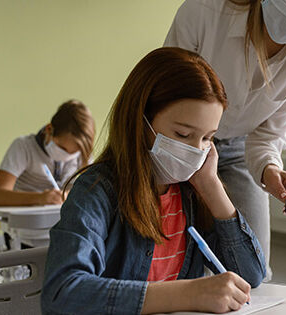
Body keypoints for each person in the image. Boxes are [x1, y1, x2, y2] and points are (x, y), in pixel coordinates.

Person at [41, 47, 266, 314]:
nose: (196, 151)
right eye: (183, 134)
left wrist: (211, 186)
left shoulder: (191, 193)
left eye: (208, 138)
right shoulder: (97, 190)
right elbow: (61, 293)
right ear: (141, 122)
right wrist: (187, 293)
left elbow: (251, 276)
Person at [164, 0, 286, 277]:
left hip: (239, 149)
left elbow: (267, 135)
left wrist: (270, 170)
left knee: (255, 271)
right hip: (180, 140)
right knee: (176, 262)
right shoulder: (204, 11)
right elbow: (163, 96)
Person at [0, 99, 95, 207]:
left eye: (74, 153)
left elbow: (94, 193)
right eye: (62, 148)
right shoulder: (23, 147)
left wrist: (70, 195)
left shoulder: (82, 153)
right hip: (28, 220)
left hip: (64, 220)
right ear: (49, 129)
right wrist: (40, 198)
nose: (67, 156)